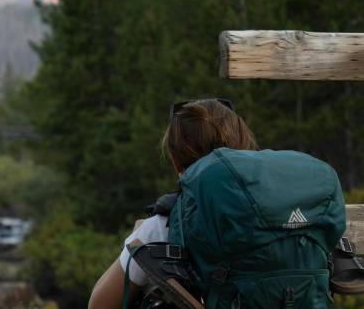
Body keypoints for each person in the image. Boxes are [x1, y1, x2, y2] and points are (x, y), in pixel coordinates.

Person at [88, 98, 260, 309]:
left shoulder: (165, 225)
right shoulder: (284, 213)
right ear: (244, 150)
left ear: (176, 162)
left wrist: (137, 243)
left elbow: (99, 304)